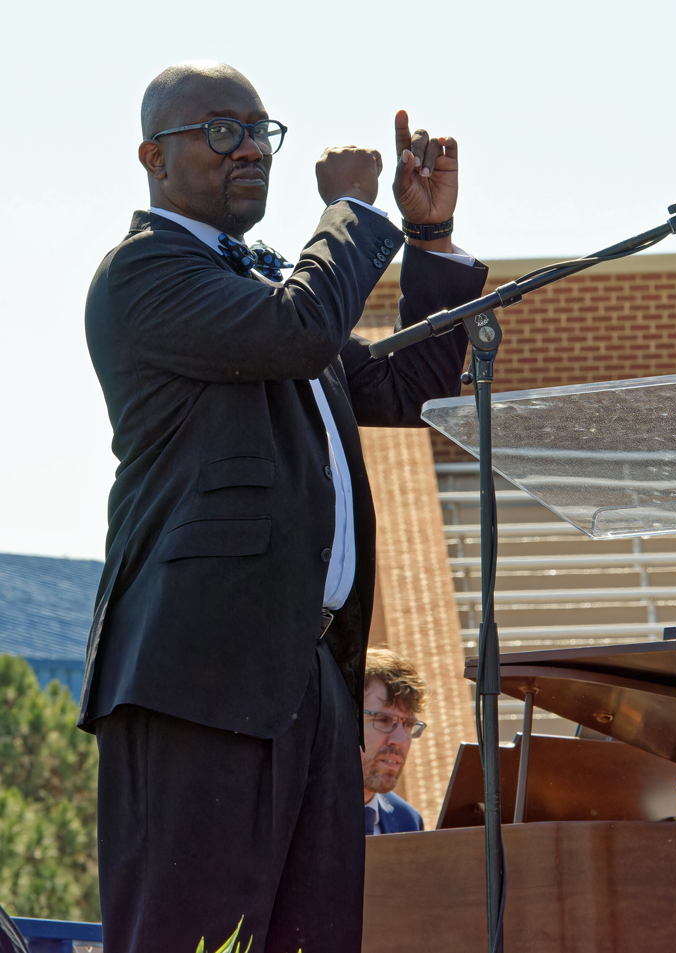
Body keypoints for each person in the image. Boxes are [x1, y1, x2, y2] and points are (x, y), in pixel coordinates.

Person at [81, 60, 487, 953]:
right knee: (190, 933)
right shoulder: (144, 274)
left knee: (313, 933)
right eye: (220, 131)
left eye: (261, 131)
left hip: (310, 675)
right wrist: (352, 212)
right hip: (200, 673)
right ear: (154, 155)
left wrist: (432, 241)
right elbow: (299, 333)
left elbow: (403, 387)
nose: (250, 150)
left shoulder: (267, 286)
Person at [361, 648, 429, 835]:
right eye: (383, 720)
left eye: (408, 724)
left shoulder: (408, 822)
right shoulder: (293, 813)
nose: (399, 740)